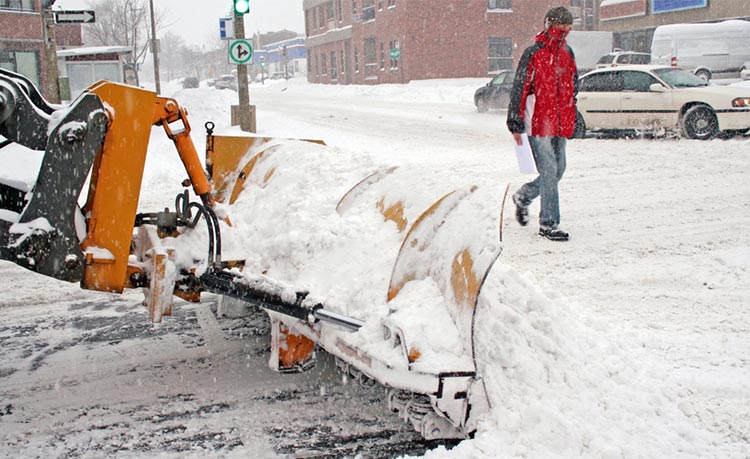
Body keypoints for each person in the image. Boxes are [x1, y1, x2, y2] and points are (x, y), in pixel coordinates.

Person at [506, 6, 578, 242]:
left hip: (560, 122)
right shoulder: (533, 53)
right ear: (549, 26)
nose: (564, 32)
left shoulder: (568, 54)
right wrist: (515, 122)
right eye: (560, 27)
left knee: (559, 170)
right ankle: (549, 223)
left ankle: (524, 195)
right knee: (548, 170)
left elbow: (572, 88)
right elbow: (520, 88)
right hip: (538, 123)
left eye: (567, 28)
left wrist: (572, 115)